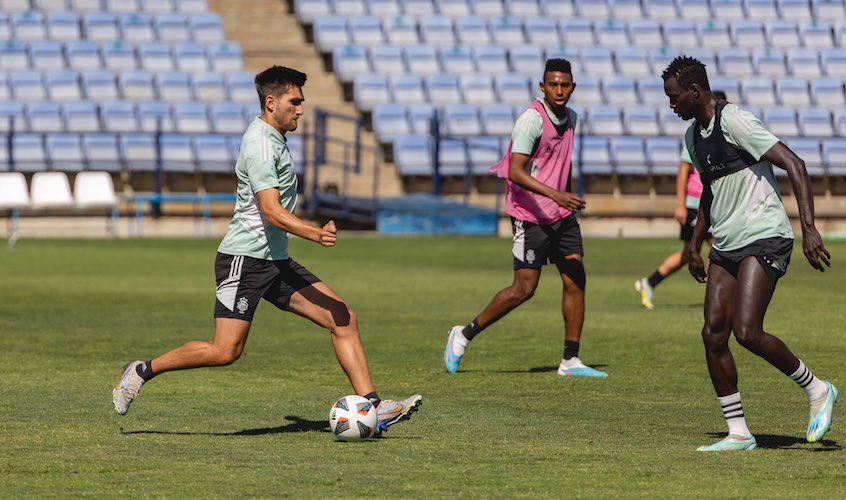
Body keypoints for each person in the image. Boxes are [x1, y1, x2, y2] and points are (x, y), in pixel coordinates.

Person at [112, 66, 422, 434]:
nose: (301, 109)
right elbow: (272, 212)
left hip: (273, 260)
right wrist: (314, 233)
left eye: (303, 102)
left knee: (342, 316)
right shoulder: (259, 144)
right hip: (243, 261)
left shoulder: (274, 138)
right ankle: (142, 370)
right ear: (271, 102)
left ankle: (373, 406)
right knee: (225, 351)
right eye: (295, 101)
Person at [663, 56, 836, 451]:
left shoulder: (735, 120)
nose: (671, 106)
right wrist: (693, 245)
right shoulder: (693, 138)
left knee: (747, 331)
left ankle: (818, 389)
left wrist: (808, 228)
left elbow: (795, 164)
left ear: (695, 91)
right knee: (713, 334)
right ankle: (739, 432)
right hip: (725, 243)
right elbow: (709, 192)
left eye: (674, 98)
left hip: (764, 235)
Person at [443, 59, 607, 378]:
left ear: (573, 87)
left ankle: (570, 360)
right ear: (542, 87)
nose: (559, 90)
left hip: (561, 214)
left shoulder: (572, 118)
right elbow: (515, 172)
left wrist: (566, 196)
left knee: (576, 278)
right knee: (524, 289)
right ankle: (463, 335)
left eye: (565, 85)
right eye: (553, 85)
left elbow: (562, 162)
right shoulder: (531, 120)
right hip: (529, 215)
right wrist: (556, 194)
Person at [633, 91, 726, 310]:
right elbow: (683, 170)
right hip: (697, 204)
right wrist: (681, 204)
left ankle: (649, 282)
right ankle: (718, 297)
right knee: (718, 247)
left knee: (688, 254)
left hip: (712, 202)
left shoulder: (721, 134)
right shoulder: (697, 135)